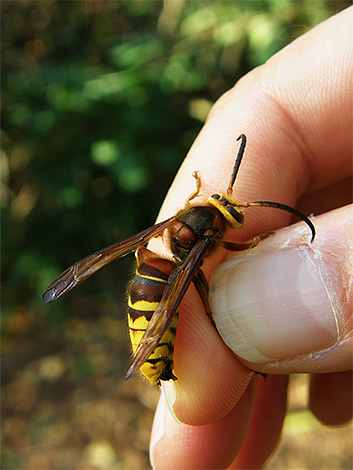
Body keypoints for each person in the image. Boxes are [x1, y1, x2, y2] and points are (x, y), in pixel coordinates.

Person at [148, 6, 353, 469]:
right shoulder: (209, 239)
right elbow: (225, 248)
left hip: (158, 274)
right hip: (161, 302)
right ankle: (159, 351)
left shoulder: (189, 224)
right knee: (195, 291)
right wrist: (258, 248)